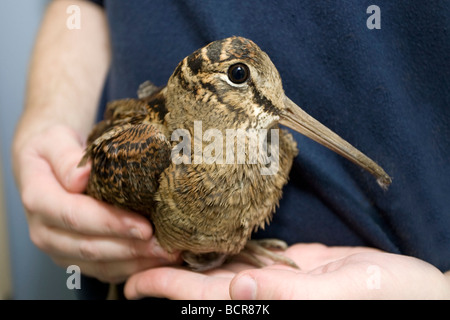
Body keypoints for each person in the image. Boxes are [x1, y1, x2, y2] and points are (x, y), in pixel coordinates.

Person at [12, 0, 450, 299]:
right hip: (131, 277)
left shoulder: (274, 146)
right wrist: (49, 120)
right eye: (239, 77)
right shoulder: (152, 156)